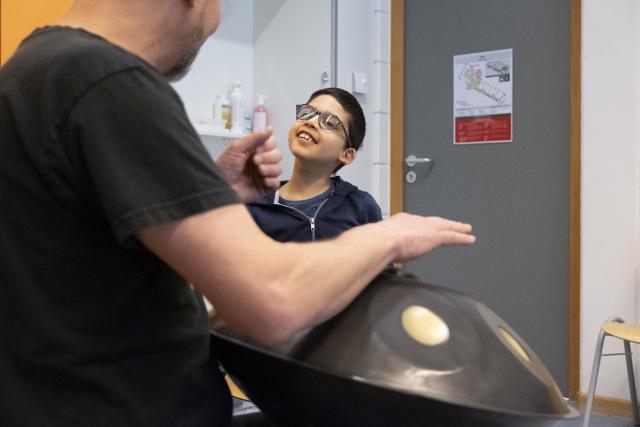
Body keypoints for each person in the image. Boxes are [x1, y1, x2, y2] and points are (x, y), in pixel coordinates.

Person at [0, 0, 475, 426]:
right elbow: (273, 300)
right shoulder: (109, 83)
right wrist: (387, 236)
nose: (214, 23)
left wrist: (212, 194)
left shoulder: (30, 70)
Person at [249, 87, 382, 242]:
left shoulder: (361, 207)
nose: (310, 122)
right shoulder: (257, 204)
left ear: (347, 154)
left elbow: (382, 266)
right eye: (307, 112)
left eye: (329, 122)